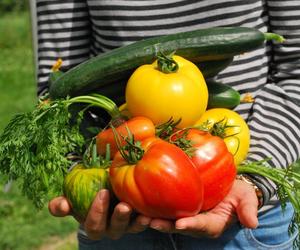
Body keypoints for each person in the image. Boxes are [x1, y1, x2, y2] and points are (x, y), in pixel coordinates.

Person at [35, 0, 300, 249]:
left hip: (246, 218)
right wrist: (86, 180)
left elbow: (296, 70)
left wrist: (253, 180)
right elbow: (58, 91)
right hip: (119, 205)